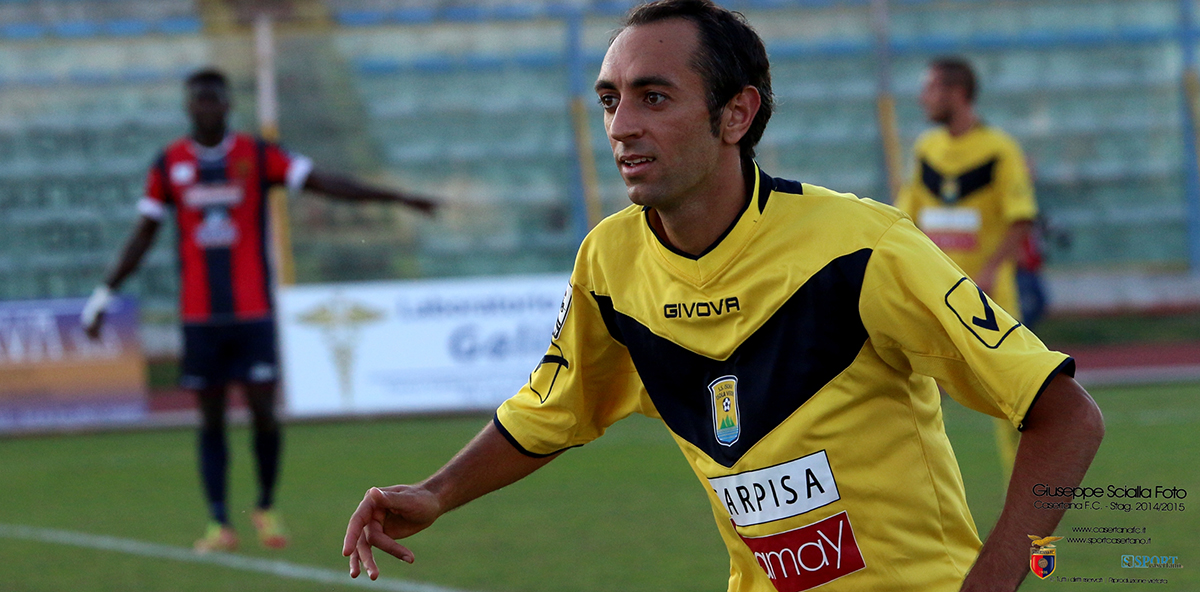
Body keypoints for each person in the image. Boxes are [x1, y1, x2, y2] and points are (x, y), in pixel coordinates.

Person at [343, 2, 1103, 590]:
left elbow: (1068, 416)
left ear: (736, 113)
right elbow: (552, 410)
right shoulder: (609, 262)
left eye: (654, 98)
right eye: (611, 100)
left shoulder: (861, 248)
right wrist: (437, 493)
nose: (622, 127)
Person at [81, 68, 436, 553]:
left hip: (252, 314)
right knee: (209, 420)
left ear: (227, 105)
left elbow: (323, 182)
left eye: (214, 99)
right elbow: (143, 233)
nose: (206, 107)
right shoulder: (169, 164)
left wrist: (395, 197)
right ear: (189, 107)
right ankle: (218, 522)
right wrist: (104, 294)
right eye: (199, 100)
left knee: (265, 414)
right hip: (200, 318)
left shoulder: (257, 155)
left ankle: (265, 507)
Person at [895, 57, 1041, 479]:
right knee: (907, 394)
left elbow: (1021, 217)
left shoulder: (999, 150)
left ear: (956, 94)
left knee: (1013, 409)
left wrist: (992, 269)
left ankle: (1032, 514)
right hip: (934, 296)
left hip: (988, 301)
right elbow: (907, 219)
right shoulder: (926, 149)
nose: (923, 98)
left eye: (931, 89)